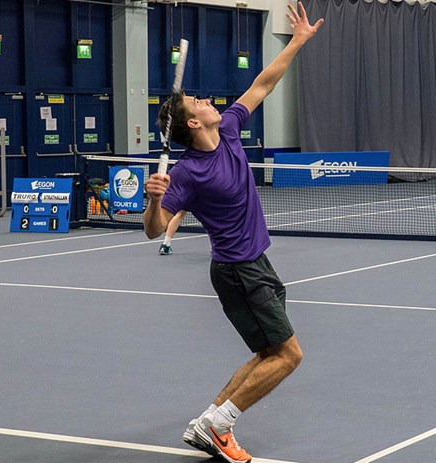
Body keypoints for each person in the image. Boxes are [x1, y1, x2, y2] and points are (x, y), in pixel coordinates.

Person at [142, 3, 322, 462]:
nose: (206, 99)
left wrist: (297, 42)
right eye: (196, 102)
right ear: (193, 123)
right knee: (288, 356)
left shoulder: (232, 130)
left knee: (268, 352)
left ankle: (208, 421)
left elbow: (263, 82)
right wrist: (154, 198)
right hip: (239, 271)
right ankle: (221, 427)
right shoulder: (186, 173)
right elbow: (154, 231)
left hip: (255, 262)